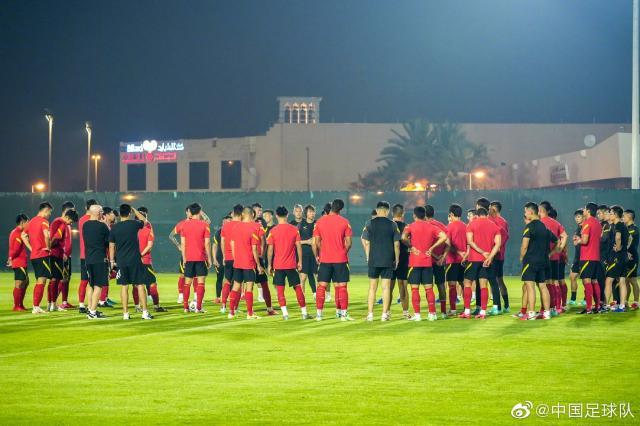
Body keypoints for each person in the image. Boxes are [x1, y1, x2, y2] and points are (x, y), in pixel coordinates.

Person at [402, 206, 448, 321]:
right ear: (424, 215)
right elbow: (444, 237)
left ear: (414, 215)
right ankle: (432, 314)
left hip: (415, 262)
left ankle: (417, 315)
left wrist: (412, 247)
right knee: (429, 289)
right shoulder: (432, 227)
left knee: (415, 289)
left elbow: (403, 237)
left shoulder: (410, 226)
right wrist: (432, 248)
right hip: (427, 262)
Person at [109, 204, 153, 320]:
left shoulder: (115, 227)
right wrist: (135, 210)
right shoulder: (134, 224)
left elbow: (111, 245)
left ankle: (125, 314)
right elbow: (145, 221)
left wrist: (112, 260)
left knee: (124, 287)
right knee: (140, 285)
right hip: (135, 260)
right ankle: (145, 312)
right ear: (129, 213)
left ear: (120, 213)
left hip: (121, 261)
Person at [312, 199, 354, 321]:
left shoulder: (319, 222)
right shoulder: (345, 222)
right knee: (341, 287)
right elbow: (349, 243)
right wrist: (342, 252)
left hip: (325, 259)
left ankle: (319, 315)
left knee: (321, 286)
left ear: (331, 208)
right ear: (341, 209)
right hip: (340, 260)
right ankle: (343, 315)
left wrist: (322, 253)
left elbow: (316, 242)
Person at [267, 206, 308, 319]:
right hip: (291, 265)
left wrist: (269, 265)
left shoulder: (273, 231)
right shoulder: (294, 229)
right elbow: (298, 246)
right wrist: (300, 261)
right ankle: (304, 313)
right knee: (298, 288)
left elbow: (270, 250)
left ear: (276, 215)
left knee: (280, 290)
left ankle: (285, 314)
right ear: (287, 215)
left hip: (278, 265)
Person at [362, 201, 401, 321]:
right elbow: (396, 244)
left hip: (374, 259)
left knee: (372, 288)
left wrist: (368, 256)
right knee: (386, 288)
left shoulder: (369, 223)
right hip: (387, 260)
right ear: (387, 211)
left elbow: (366, 242)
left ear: (377, 210)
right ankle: (384, 314)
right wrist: (397, 259)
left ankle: (370, 314)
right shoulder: (393, 225)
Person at [460, 207, 501, 319]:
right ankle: (483, 312)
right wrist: (489, 257)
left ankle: (467, 311)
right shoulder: (494, 226)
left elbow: (470, 242)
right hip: (486, 260)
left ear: (477, 215)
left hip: (474, 259)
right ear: (487, 215)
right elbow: (498, 244)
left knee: (467, 282)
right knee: (484, 285)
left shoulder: (471, 224)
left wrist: (482, 252)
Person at [519, 202, 557, 320]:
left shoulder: (529, 227)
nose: (525, 214)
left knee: (530, 286)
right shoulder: (545, 227)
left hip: (530, 261)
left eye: (525, 212)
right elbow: (557, 241)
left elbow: (524, 246)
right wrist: (550, 254)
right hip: (543, 261)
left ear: (531, 212)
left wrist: (522, 257)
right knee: (543, 286)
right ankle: (547, 313)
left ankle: (531, 313)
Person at [228, 206, 262, 319]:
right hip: (248, 263)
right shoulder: (253, 228)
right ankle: (250, 314)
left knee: (235, 286)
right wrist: (258, 265)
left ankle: (231, 312)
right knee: (249, 288)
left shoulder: (235, 227)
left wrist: (236, 258)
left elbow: (232, 244)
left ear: (242, 214)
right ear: (252, 215)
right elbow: (254, 249)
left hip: (237, 262)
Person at [180, 203, 212, 314]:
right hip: (200, 258)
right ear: (200, 211)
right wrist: (209, 259)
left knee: (187, 283)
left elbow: (183, 244)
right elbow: (207, 243)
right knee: (201, 283)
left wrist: (184, 258)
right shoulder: (204, 225)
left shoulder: (184, 225)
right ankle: (198, 307)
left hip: (189, 258)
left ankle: (185, 307)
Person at [24, 202, 53, 314]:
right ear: (46, 210)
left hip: (34, 256)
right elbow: (47, 235)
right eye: (50, 212)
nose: (50, 215)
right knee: (42, 281)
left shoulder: (31, 222)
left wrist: (31, 249)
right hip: (42, 255)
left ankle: (36, 306)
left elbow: (23, 235)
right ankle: (36, 307)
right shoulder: (44, 221)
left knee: (39, 280)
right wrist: (48, 247)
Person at [539, 201, 567, 316]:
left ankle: (547, 308)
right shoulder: (556, 223)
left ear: (541, 210)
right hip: (555, 257)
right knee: (555, 281)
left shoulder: (539, 223)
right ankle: (556, 307)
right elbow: (564, 236)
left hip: (543, 257)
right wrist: (559, 249)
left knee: (545, 283)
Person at [575, 202, 603, 315]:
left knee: (586, 281)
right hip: (596, 257)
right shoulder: (598, 223)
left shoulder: (587, 223)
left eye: (585, 209)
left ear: (588, 211)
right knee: (594, 281)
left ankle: (588, 308)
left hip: (587, 256)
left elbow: (585, 240)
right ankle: (597, 307)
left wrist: (578, 240)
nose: (583, 211)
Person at [82, 204, 109, 319]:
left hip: (89, 258)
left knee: (91, 284)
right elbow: (109, 241)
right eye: (102, 211)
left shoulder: (85, 225)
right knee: (98, 285)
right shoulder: (102, 226)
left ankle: (90, 308)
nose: (103, 213)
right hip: (99, 258)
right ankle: (93, 312)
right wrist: (106, 225)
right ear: (98, 213)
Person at [48, 208, 78, 311]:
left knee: (56, 279)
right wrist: (50, 248)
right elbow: (56, 237)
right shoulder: (61, 223)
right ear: (67, 217)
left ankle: (52, 304)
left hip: (57, 254)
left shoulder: (58, 222)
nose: (70, 223)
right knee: (55, 279)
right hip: (56, 254)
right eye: (71, 221)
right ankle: (53, 304)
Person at [138, 207, 166, 312]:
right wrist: (141, 254)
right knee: (152, 284)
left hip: (134, 261)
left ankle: (138, 306)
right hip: (145, 260)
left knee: (137, 285)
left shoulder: (131, 232)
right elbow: (149, 246)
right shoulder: (148, 230)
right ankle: (156, 306)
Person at [425, 204, 450, 319]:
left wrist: (436, 256)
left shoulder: (425, 226)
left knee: (428, 287)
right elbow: (448, 243)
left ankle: (432, 312)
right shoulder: (441, 225)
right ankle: (444, 312)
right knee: (441, 285)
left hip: (428, 261)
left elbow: (425, 246)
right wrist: (443, 257)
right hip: (439, 262)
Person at [604, 205, 629, 312]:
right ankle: (622, 306)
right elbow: (629, 238)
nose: (609, 215)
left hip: (617, 257)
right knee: (622, 281)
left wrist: (618, 248)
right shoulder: (623, 225)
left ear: (615, 214)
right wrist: (624, 248)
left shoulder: (618, 225)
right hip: (623, 257)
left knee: (609, 280)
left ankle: (605, 305)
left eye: (610, 213)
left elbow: (618, 237)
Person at [220, 204, 243, 314]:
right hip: (240, 258)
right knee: (238, 283)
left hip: (228, 258)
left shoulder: (226, 226)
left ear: (233, 213)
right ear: (242, 214)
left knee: (227, 281)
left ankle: (223, 306)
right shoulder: (242, 226)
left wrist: (224, 256)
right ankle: (235, 307)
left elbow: (222, 241)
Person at [445, 204, 467, 316]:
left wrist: (457, 252)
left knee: (452, 285)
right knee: (464, 285)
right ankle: (466, 308)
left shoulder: (449, 227)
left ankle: (453, 310)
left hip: (452, 261)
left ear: (451, 214)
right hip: (464, 260)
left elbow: (448, 245)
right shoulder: (466, 226)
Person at [489, 200, 510, 313]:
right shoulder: (498, 220)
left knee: (495, 280)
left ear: (494, 209)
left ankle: (498, 306)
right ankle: (506, 306)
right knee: (499, 280)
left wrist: (496, 248)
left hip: (496, 256)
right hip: (498, 255)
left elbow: (504, 237)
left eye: (490, 207)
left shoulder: (500, 221)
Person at [78, 199, 98, 313]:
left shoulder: (81, 219)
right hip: (92, 254)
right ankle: (91, 306)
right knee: (92, 282)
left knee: (84, 280)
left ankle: (82, 304)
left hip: (84, 254)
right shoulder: (92, 219)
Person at [391, 204, 410, 318]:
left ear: (392, 213)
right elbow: (409, 242)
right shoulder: (407, 227)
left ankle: (386, 313)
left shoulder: (389, 225)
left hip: (390, 259)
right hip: (403, 259)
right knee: (403, 286)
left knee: (388, 287)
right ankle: (406, 312)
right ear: (403, 214)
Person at [8, 214, 30, 311]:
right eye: (27, 222)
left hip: (19, 261)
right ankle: (17, 305)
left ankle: (20, 304)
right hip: (19, 261)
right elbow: (15, 249)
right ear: (22, 222)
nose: (28, 224)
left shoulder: (15, 232)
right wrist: (11, 258)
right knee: (20, 283)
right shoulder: (18, 233)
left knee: (26, 281)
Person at [169, 207, 191, 304]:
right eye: (189, 211)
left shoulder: (199, 222)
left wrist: (200, 211)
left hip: (197, 253)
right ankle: (181, 295)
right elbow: (171, 235)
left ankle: (196, 297)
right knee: (182, 275)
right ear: (186, 212)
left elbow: (208, 221)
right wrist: (178, 245)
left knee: (197, 276)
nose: (191, 213)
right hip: (185, 253)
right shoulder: (182, 224)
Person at [97, 207, 118, 308]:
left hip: (109, 255)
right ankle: (101, 300)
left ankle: (103, 298)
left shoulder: (109, 226)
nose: (113, 215)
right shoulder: (102, 226)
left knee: (108, 276)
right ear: (106, 215)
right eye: (112, 213)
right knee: (106, 276)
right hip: (103, 255)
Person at [57, 201, 76, 309]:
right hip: (62, 256)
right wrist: (63, 253)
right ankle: (53, 302)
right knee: (62, 278)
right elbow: (57, 239)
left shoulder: (68, 224)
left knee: (67, 278)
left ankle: (64, 302)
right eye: (72, 210)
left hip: (68, 255)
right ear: (66, 211)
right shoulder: (60, 223)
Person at [298, 205, 319, 299]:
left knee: (318, 277)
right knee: (303, 278)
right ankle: (302, 299)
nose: (312, 213)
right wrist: (307, 241)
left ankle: (318, 296)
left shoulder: (317, 224)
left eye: (313, 211)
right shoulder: (301, 225)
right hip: (304, 255)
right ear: (306, 213)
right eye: (310, 212)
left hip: (316, 255)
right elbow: (296, 241)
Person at [568, 209, 584, 306]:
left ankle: (586, 299)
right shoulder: (578, 228)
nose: (577, 219)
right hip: (577, 257)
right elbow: (575, 242)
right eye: (576, 217)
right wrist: (575, 240)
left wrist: (578, 239)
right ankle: (573, 299)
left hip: (585, 256)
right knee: (572, 277)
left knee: (586, 279)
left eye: (579, 217)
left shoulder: (586, 227)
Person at [212, 216, 230, 304]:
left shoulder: (234, 231)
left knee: (230, 278)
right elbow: (214, 246)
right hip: (220, 258)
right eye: (225, 222)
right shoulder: (218, 232)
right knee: (219, 278)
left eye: (228, 222)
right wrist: (214, 259)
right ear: (222, 223)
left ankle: (229, 296)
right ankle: (218, 297)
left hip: (230, 258)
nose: (226, 223)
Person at [623, 209, 639, 309]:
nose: (622, 218)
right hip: (625, 258)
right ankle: (625, 301)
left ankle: (636, 302)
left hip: (632, 258)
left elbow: (630, 243)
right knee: (625, 281)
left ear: (629, 216)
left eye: (624, 216)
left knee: (633, 280)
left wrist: (627, 252)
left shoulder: (634, 229)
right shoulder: (626, 228)